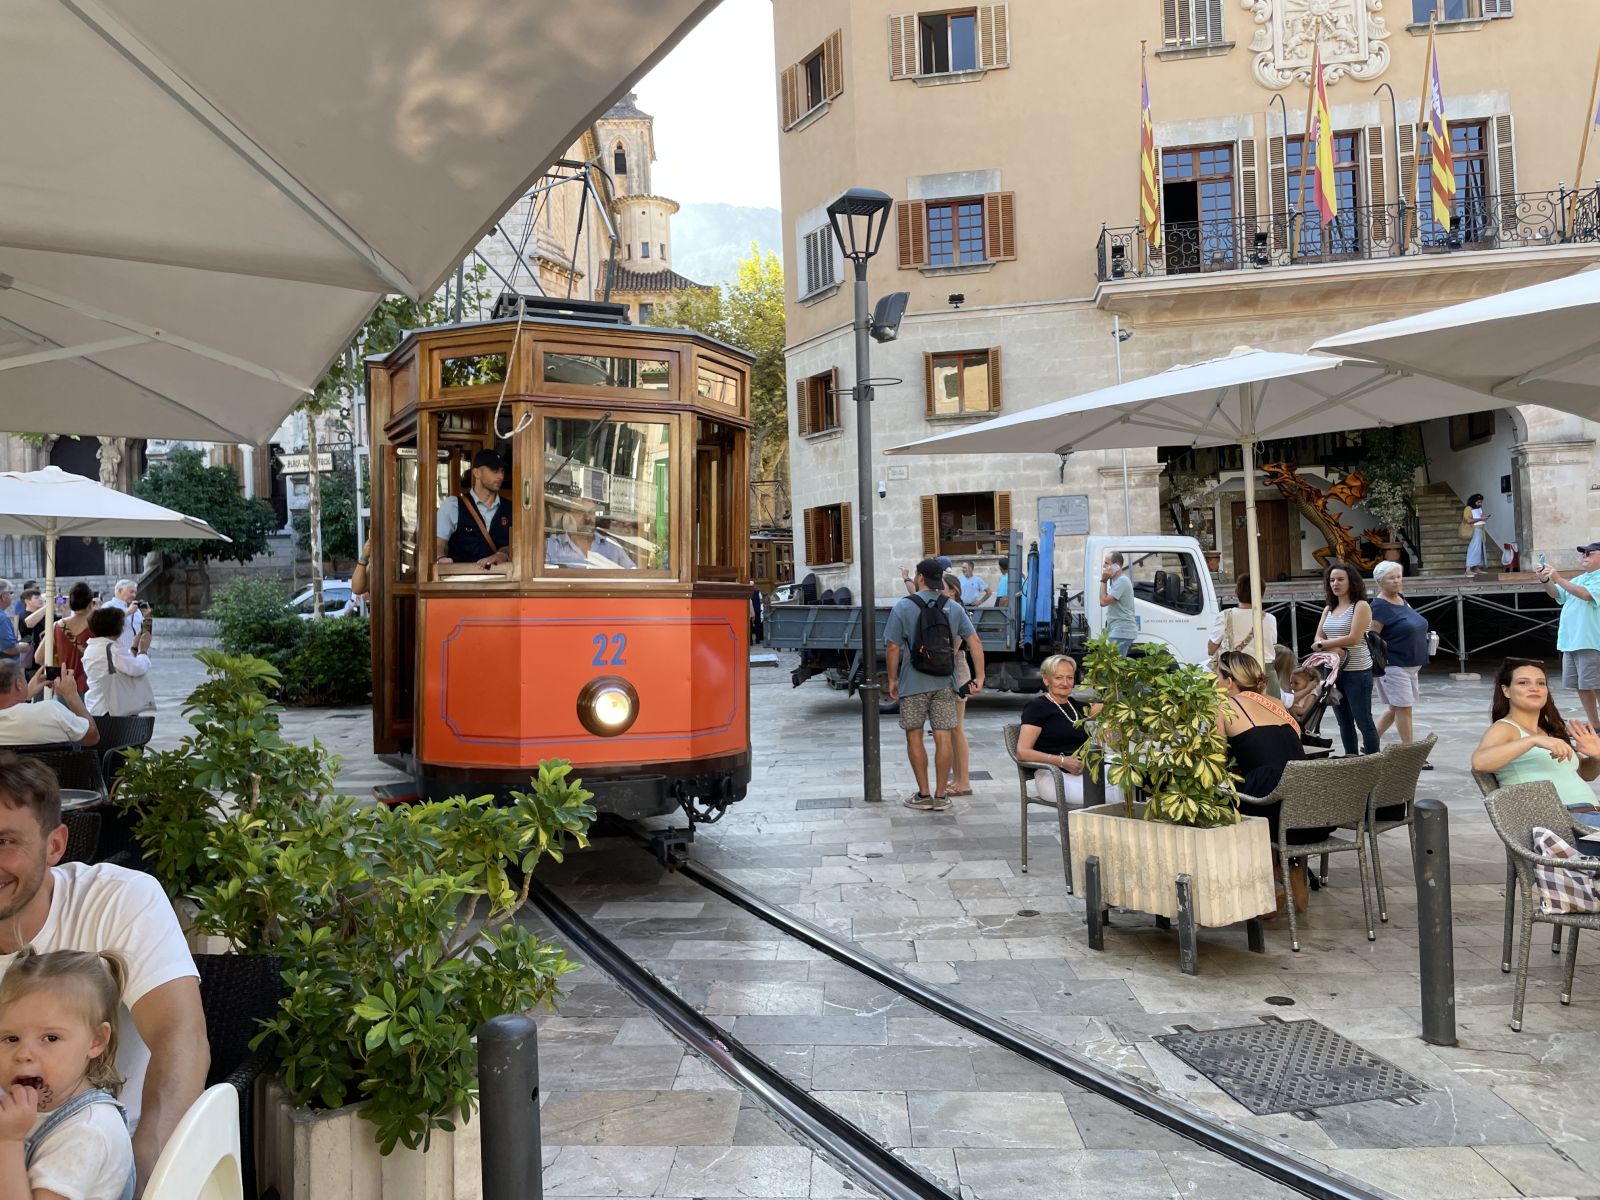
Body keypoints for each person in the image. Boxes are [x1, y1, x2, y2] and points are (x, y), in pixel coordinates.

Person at [0, 754, 205, 1186]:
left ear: (55, 845)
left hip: (98, 1169)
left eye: (6, 842)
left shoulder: (118, 900)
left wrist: (147, 1176)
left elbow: (179, 1037)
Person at [0, 948, 136, 1199]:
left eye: (50, 1038)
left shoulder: (87, 1132)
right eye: (11, 1038)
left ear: (95, 1041)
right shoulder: (20, 1109)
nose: (23, 1054)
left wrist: (8, 1142)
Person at [1218, 651, 1318, 910]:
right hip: (1308, 798)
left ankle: (1261, 883)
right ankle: (1284, 870)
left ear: (1229, 681)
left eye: (1216, 676)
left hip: (1271, 796)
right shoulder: (1275, 701)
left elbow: (1214, 760)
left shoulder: (1226, 706)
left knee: (1215, 802)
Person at [884, 558, 985, 811]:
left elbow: (893, 645)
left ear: (919, 577)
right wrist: (980, 676)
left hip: (913, 681)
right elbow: (974, 641)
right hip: (945, 682)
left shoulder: (903, 606)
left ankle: (923, 794)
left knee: (915, 737)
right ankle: (941, 797)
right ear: (939, 579)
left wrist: (892, 679)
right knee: (943, 737)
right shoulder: (953, 607)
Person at [1471, 658, 1600, 815]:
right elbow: (1480, 763)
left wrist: (1596, 757)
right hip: (1561, 819)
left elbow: (1585, 774)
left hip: (1589, 815)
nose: (1534, 688)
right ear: (1506, 690)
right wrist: (1532, 740)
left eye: (1541, 683)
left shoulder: (1549, 731)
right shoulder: (1505, 728)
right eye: (1523, 683)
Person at [1312, 560, 1379, 756]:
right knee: (1344, 721)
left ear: (1352, 582)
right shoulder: (1328, 609)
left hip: (1357, 671)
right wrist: (1328, 648)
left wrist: (1324, 645)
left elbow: (1354, 637)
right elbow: (1317, 639)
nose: (1335, 584)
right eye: (1332, 580)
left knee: (1363, 721)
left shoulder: (1361, 606)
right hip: (1332, 671)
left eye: (1340, 579)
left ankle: (1373, 761)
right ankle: (1351, 759)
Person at [1370, 561, 1432, 763]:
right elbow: (1372, 639)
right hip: (1394, 665)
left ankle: (1370, 742)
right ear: (1380, 581)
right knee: (1404, 708)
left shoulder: (1401, 599)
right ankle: (1409, 755)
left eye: (1399, 576)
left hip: (1411, 663)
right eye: (1392, 577)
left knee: (1396, 708)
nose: (1397, 581)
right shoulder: (1378, 607)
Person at [1014, 654, 1097, 805]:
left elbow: (1109, 708)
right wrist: (1062, 761)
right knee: (1110, 793)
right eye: (1058, 677)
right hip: (1053, 776)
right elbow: (1022, 752)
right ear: (1046, 680)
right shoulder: (1037, 707)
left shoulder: (1075, 705)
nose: (1065, 683)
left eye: (1070, 678)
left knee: (1129, 783)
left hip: (1081, 772)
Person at [1537, 543, 1600, 728]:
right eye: (1583, 554)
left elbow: (1586, 595)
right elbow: (1557, 594)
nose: (1584, 556)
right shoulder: (1580, 578)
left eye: (1590, 553)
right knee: (1582, 686)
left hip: (1590, 641)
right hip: (1571, 641)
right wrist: (1546, 580)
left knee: (1596, 685)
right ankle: (1595, 725)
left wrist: (1558, 577)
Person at [434, 449, 512, 568]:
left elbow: (517, 545)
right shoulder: (452, 505)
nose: (500, 476)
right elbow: (437, 544)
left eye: (502, 471)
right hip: (462, 582)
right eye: (494, 470)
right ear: (476, 473)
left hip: (500, 582)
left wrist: (502, 555)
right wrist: (441, 558)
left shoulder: (511, 508)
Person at [0, 661, 99, 748]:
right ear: (19, 684)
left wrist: (26, 695)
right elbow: (92, 737)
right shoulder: (50, 711)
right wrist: (72, 695)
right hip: (53, 769)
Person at [1207, 575, 1279, 687]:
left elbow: (1211, 650)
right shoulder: (1270, 619)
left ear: (1236, 592)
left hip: (1237, 675)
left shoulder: (1226, 616)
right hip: (1265, 675)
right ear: (1262, 595)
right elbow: (1272, 645)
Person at [940, 572, 976, 796]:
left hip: (957, 673)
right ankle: (958, 779)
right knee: (953, 730)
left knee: (957, 730)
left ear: (953, 590)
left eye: (941, 586)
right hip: (952, 672)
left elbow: (953, 649)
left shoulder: (956, 612)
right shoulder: (948, 610)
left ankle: (964, 782)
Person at [82, 609, 154, 718]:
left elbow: (123, 664)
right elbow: (137, 668)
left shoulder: (92, 647)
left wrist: (134, 647)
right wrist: (143, 650)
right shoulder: (112, 650)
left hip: (96, 706)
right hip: (113, 710)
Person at [544, 493, 636, 569]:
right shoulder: (553, 545)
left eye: (591, 512)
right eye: (580, 512)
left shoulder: (611, 546)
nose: (587, 518)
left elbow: (634, 574)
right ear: (568, 516)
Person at [53, 584, 95, 698]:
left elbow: (39, 657)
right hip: (90, 685)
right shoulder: (96, 625)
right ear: (91, 603)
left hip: (64, 685)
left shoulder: (57, 626)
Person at [1099, 551, 1137, 655]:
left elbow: (1103, 601)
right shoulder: (1117, 581)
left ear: (1117, 566)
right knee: (1115, 666)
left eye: (1107, 563)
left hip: (1121, 631)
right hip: (1118, 630)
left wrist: (1103, 580)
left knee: (1116, 667)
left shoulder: (1122, 581)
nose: (1104, 565)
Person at [1463, 493, 1488, 573]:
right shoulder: (1468, 508)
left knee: (1479, 549)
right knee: (1473, 548)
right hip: (1474, 530)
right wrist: (1480, 518)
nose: (1480, 504)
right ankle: (1468, 568)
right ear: (1474, 501)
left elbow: (1479, 518)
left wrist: (1483, 518)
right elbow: (1468, 520)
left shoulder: (1478, 508)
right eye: (1478, 502)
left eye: (1481, 502)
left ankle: (1476, 568)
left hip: (1480, 530)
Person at [0, 582, 19, 663]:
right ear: (3, 596)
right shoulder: (2, 618)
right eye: (10, 593)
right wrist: (26, 647)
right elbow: (9, 649)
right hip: (6, 669)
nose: (12, 596)